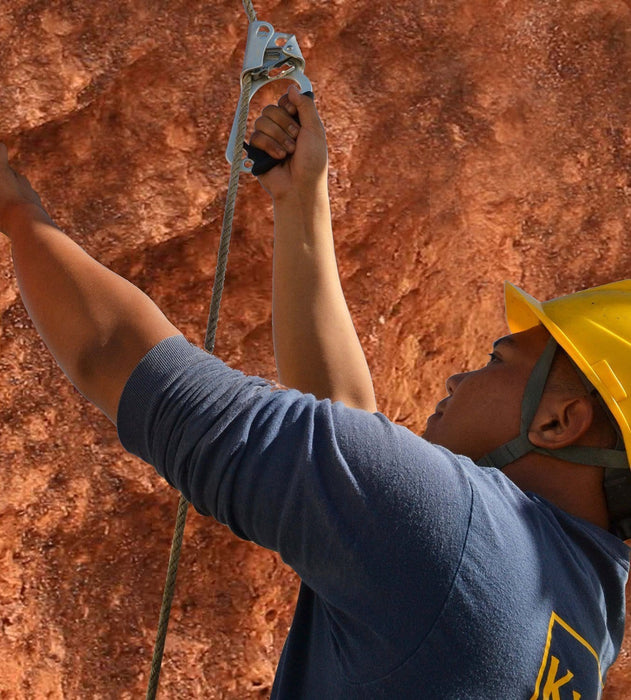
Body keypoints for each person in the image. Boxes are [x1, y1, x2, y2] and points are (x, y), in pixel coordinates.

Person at [1, 84, 630, 699]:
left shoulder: (454, 538)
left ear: (558, 422)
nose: (458, 377)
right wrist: (301, 202)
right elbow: (353, 447)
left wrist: (17, 208)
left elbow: (120, 358)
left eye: (500, 359)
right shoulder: (588, 617)